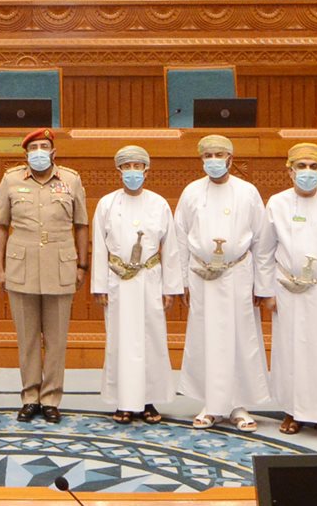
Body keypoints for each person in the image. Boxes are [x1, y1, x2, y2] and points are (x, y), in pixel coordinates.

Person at [257, 141, 317, 438]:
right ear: (289, 171)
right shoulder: (277, 203)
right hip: (287, 289)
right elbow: (264, 251)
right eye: (301, 167)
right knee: (292, 351)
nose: (307, 172)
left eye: (313, 167)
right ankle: (292, 411)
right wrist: (266, 291)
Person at [171, 133, 270, 431]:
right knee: (207, 337)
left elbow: (261, 241)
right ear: (201, 160)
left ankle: (238, 405)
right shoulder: (191, 193)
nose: (213, 161)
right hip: (202, 277)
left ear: (230, 158)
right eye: (207, 156)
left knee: (240, 337)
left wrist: (261, 285)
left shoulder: (248, 192)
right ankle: (210, 404)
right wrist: (183, 282)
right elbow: (180, 237)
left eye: (219, 155)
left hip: (238, 273)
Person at [0, 127, 88, 424]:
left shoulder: (71, 180)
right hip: (21, 267)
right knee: (28, 337)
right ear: (25, 154)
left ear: (53, 151)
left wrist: (83, 265)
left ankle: (51, 398)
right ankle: (30, 396)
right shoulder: (10, 180)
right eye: (33, 149)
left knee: (57, 338)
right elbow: (0, 226)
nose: (38, 153)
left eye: (43, 147)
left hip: (60, 266)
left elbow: (82, 224)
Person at [90, 144, 181, 425]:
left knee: (151, 340)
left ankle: (149, 401)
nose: (132, 172)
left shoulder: (159, 204)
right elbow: (100, 247)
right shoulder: (107, 203)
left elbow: (172, 247)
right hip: (118, 281)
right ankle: (124, 402)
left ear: (146, 170)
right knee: (121, 340)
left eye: (137, 167)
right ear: (119, 170)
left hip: (150, 279)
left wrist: (170, 287)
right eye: (126, 167)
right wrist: (100, 286)